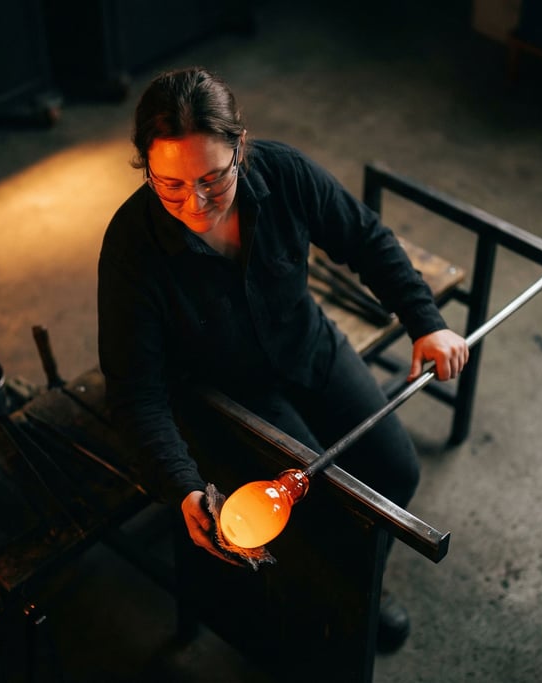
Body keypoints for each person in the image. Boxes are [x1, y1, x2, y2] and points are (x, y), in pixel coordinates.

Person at [97, 66, 468, 651]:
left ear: (240, 149)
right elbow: (134, 390)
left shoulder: (284, 173)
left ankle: (359, 586)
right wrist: (182, 485)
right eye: (169, 185)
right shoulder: (131, 248)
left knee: (396, 473)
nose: (194, 204)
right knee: (325, 518)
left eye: (214, 181)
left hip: (309, 349)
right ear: (145, 165)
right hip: (232, 395)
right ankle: (328, 608)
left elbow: (364, 238)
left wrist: (426, 322)